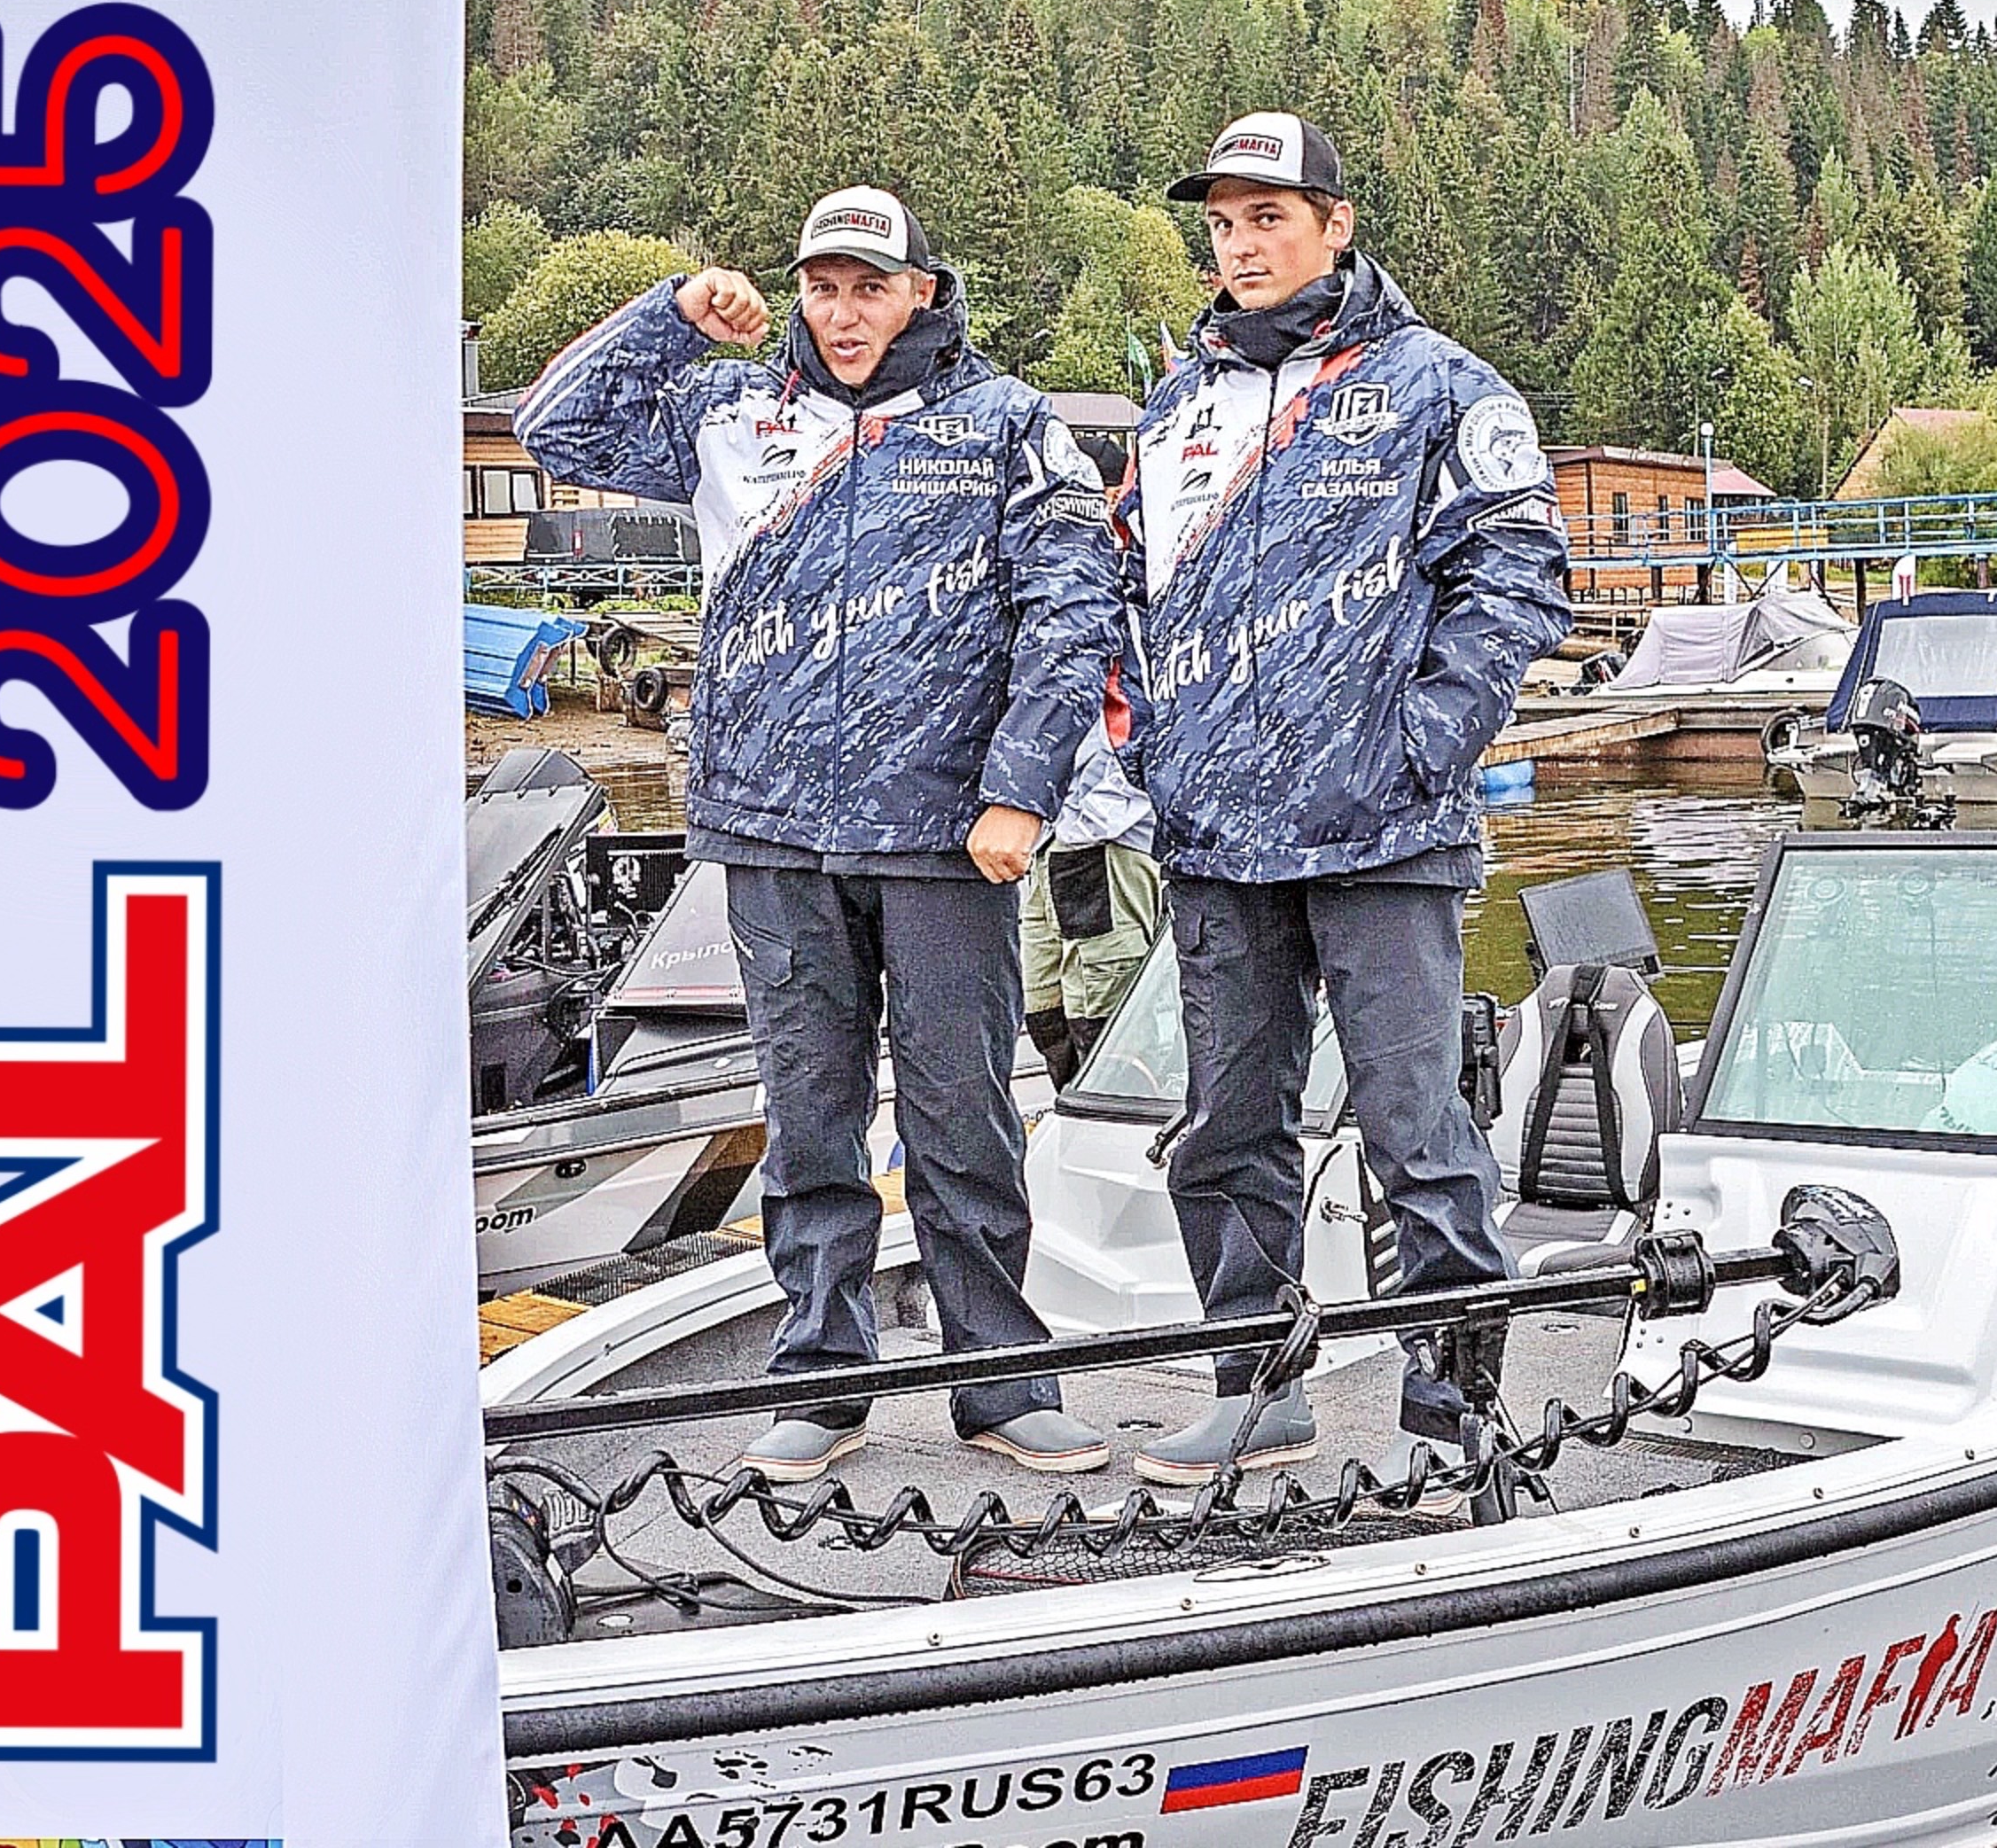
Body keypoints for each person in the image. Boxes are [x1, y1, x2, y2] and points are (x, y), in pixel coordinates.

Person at [518, 187, 1121, 1482]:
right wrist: (671, 316)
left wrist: (1022, 787)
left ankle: (1002, 1385)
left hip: (945, 833)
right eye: (823, 287)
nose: (844, 314)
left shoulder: (1008, 426)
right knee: (808, 1115)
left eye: (870, 288)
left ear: (922, 292)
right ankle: (823, 1378)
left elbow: (1076, 612)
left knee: (964, 1116)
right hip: (771, 828)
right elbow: (551, 426)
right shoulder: (733, 409)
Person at [1115, 113, 1572, 1488]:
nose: (1242, 245)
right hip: (1216, 843)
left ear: (1337, 221)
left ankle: (1457, 1411)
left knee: (1416, 1129)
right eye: (1223, 223)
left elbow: (1517, 574)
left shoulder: (1441, 387)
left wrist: (1424, 744)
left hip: (1385, 835)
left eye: (1269, 216)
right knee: (1224, 1131)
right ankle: (1256, 1385)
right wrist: (1150, 753)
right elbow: (1122, 597)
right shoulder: (1175, 413)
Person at [1020, 693, 1162, 1086]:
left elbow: (1140, 713)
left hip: (1105, 840)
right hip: (1050, 836)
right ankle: (1072, 1115)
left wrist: (1091, 822)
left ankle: (1122, 1122)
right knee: (1046, 1013)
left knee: (1108, 1025)